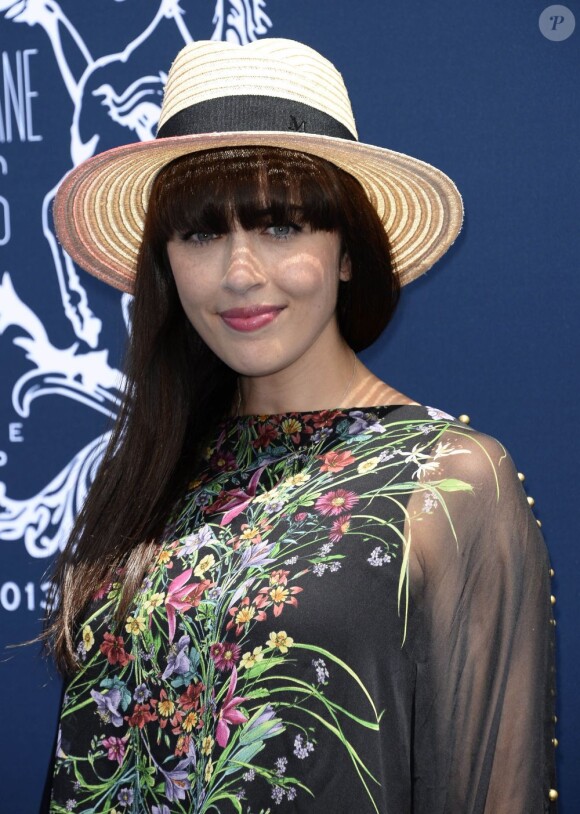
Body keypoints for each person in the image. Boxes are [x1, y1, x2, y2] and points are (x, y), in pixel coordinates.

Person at [46, 39, 557, 812]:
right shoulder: (155, 471)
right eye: (202, 234)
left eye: (281, 227)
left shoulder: (448, 479)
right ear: (167, 260)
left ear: (347, 249)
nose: (241, 272)